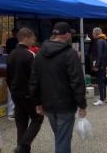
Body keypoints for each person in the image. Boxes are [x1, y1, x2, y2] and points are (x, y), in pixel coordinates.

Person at [30, 22, 87, 153]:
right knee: (63, 138)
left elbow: (34, 80)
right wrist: (82, 104)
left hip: (48, 104)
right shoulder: (70, 54)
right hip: (65, 105)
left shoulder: (40, 53)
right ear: (66, 35)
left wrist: (37, 102)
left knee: (60, 136)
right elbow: (77, 81)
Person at [7, 28, 44, 153]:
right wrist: (38, 96)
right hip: (28, 94)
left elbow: (8, 76)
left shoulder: (11, 54)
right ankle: (23, 146)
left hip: (15, 93)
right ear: (26, 37)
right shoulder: (29, 55)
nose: (34, 41)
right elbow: (35, 77)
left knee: (21, 122)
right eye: (33, 38)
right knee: (37, 119)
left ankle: (22, 149)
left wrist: (12, 90)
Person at [90, 27, 107, 106]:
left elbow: (99, 55)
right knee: (102, 82)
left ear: (96, 33)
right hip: (103, 65)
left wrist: (97, 65)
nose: (92, 34)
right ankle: (103, 98)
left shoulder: (99, 41)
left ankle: (101, 99)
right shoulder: (103, 40)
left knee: (100, 82)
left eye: (93, 33)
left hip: (100, 66)